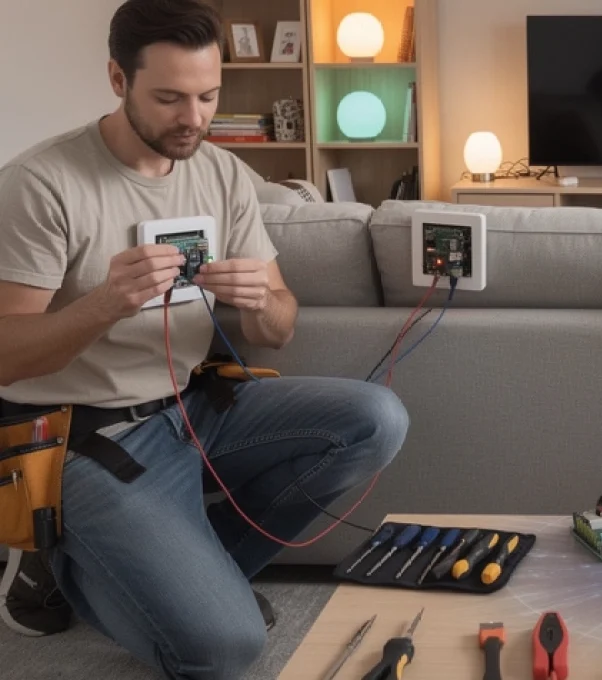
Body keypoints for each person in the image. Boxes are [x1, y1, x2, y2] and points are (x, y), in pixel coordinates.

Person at [0, 0, 408, 677]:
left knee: (375, 419)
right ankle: (53, 563)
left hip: (193, 408)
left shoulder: (222, 172)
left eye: (208, 95)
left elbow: (278, 329)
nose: (193, 118)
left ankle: (200, 570)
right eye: (169, 98)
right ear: (117, 79)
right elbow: (6, 357)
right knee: (224, 650)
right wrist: (105, 305)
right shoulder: (41, 185)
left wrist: (262, 300)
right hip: (82, 435)